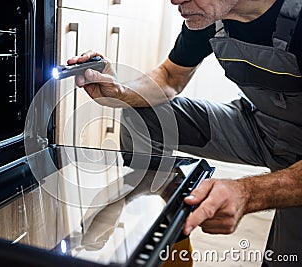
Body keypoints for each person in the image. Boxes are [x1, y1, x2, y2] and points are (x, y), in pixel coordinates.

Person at [67, 0, 302, 266]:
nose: (175, 0)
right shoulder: (210, 15)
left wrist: (248, 192)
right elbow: (170, 77)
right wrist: (120, 92)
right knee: (142, 115)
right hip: (260, 126)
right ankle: (164, 236)